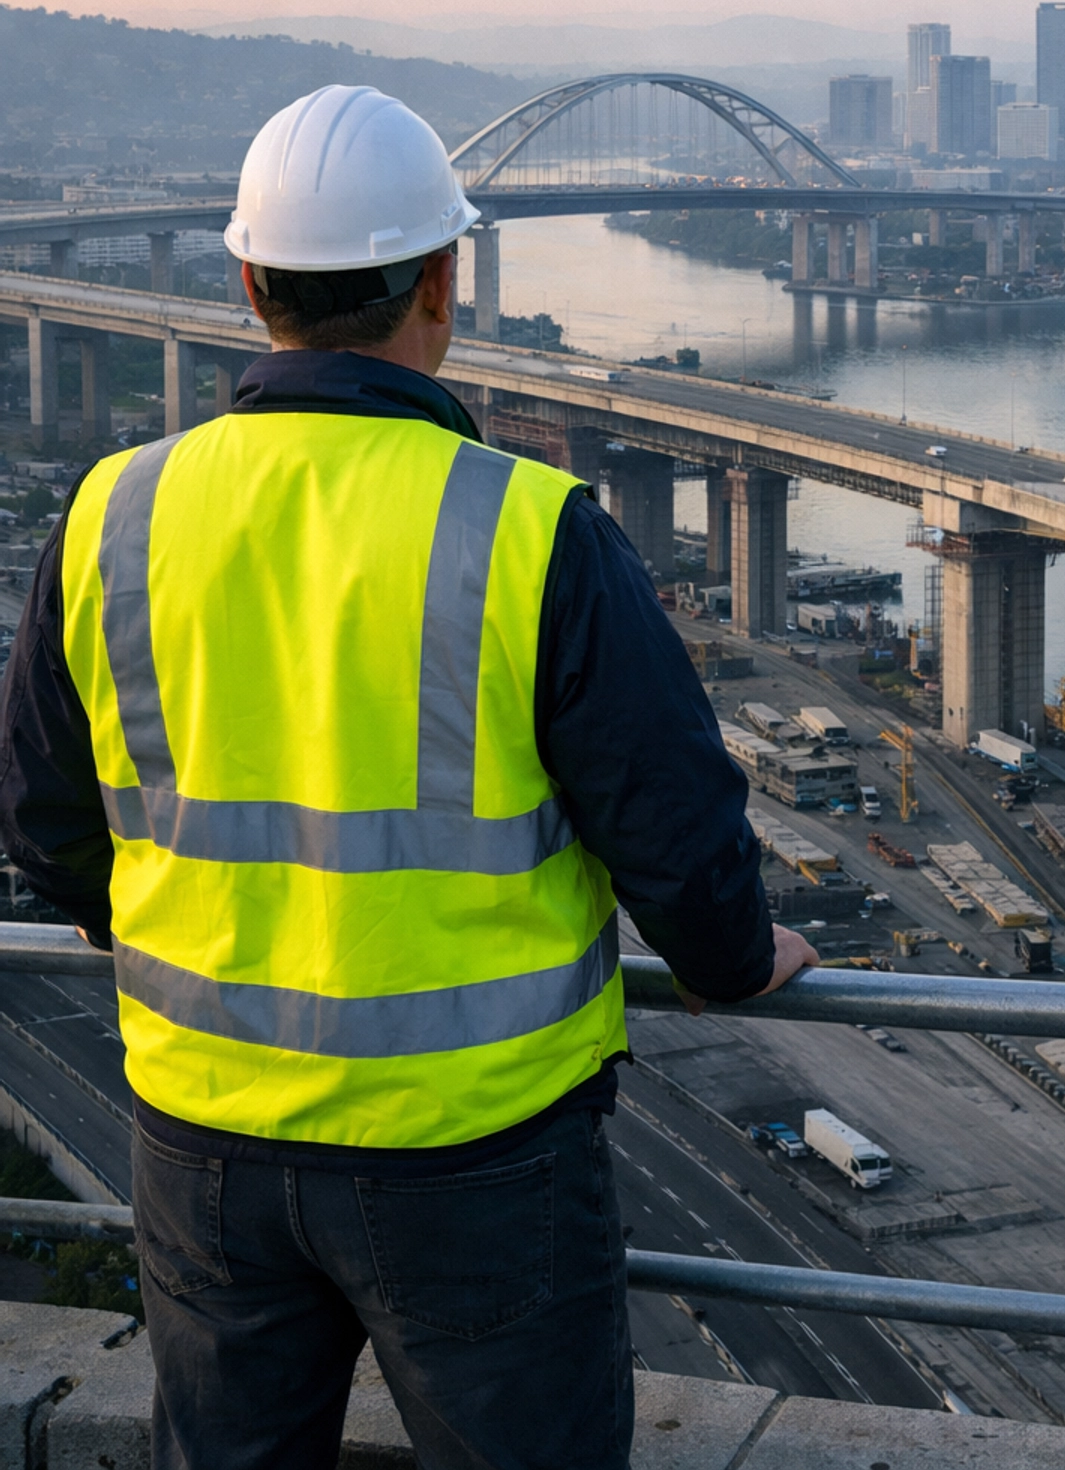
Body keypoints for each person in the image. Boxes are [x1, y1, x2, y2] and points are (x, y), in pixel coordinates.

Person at [0, 85, 816, 1470]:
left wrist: (134, 926)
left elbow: (45, 819)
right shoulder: (532, 529)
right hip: (477, 1153)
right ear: (444, 282)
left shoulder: (112, 512)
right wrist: (738, 960)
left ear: (248, 282)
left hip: (201, 1133)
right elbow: (673, 829)